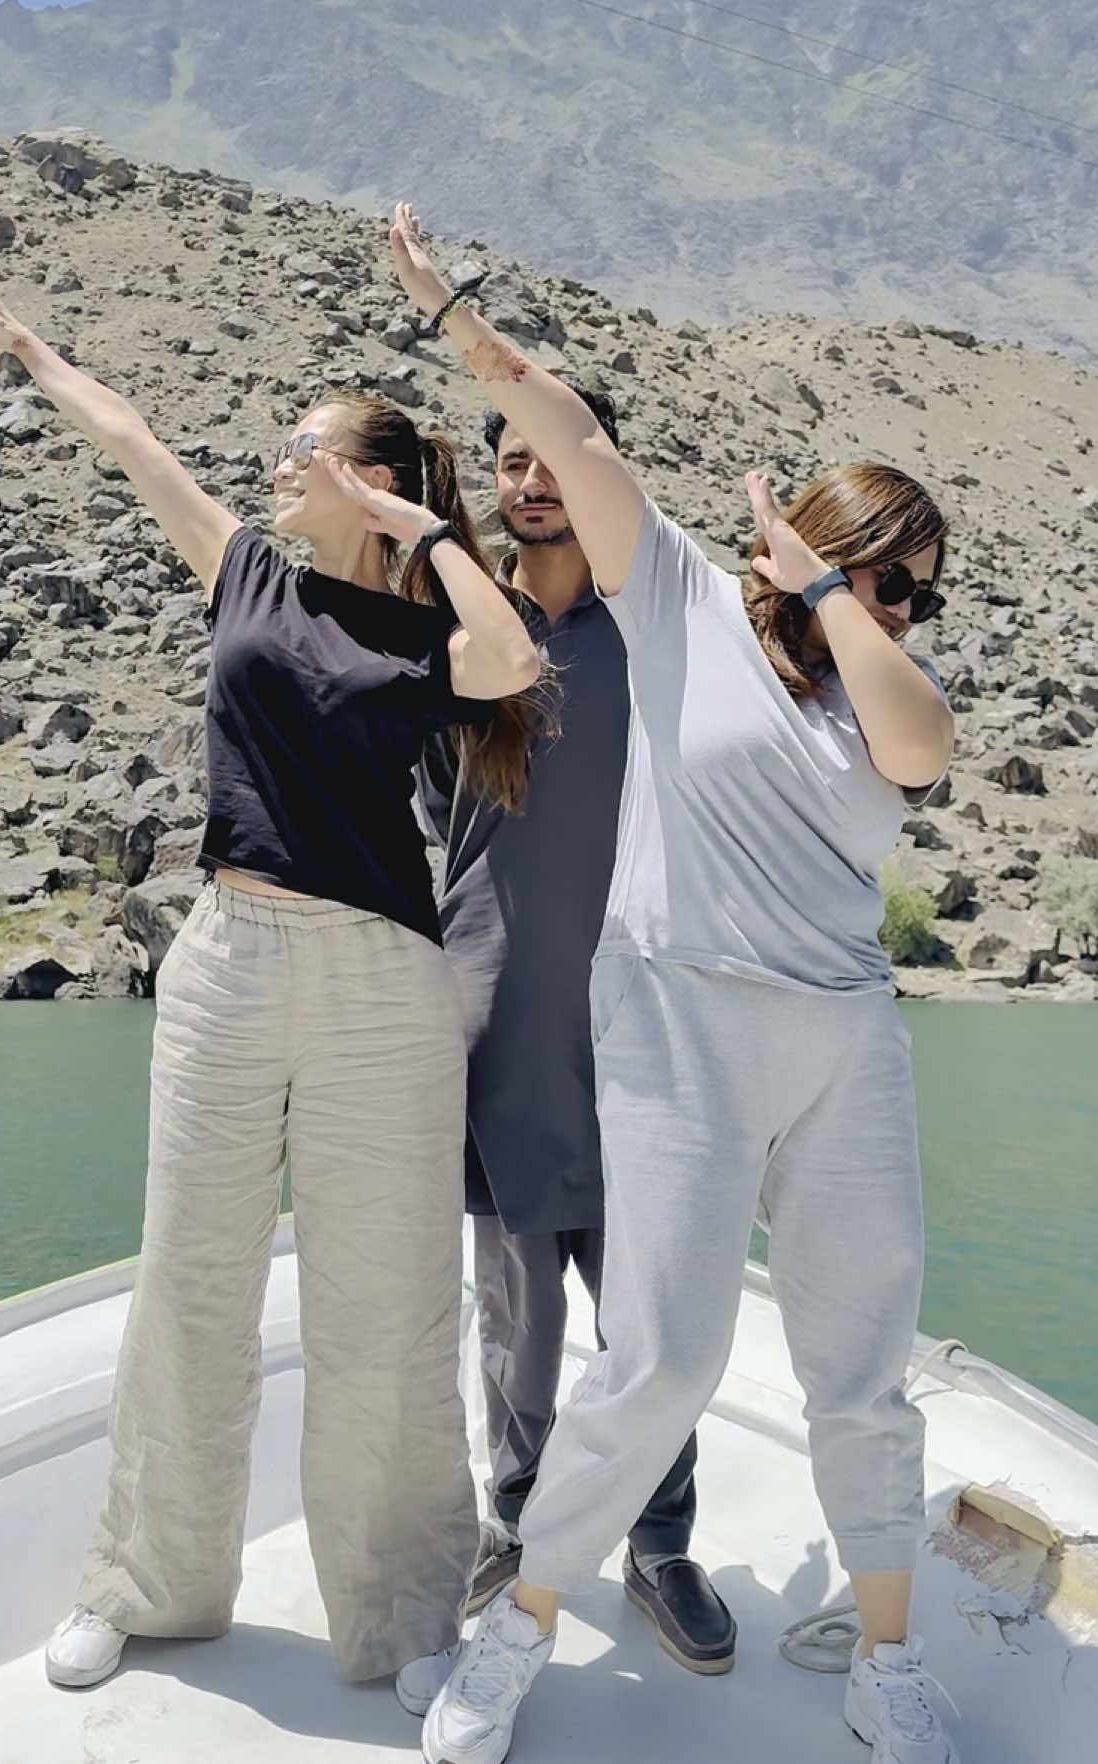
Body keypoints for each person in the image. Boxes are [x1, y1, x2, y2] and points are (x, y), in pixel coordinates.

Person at [386, 208, 961, 1764]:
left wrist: (845, 608)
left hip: (841, 1040)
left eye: (918, 593)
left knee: (861, 1368)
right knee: (659, 1359)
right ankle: (518, 1637)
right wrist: (453, 310)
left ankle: (885, 1666)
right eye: (879, 578)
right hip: (680, 1022)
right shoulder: (683, 601)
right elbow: (563, 428)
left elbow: (920, 754)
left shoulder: (875, 694)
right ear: (802, 547)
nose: (902, 611)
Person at [0, 264, 541, 1711]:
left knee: (385, 1308)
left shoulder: (422, 633)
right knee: (191, 1286)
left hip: (381, 985)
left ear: (365, 477)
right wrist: (33, 344)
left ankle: (405, 1618)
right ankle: (144, 1587)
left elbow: (509, 655)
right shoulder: (244, 568)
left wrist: (426, 533)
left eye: (299, 450)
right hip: (226, 962)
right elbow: (131, 436)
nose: (272, 467)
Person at [416, 380, 735, 1673]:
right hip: (493, 1017)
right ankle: (518, 1521)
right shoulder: (465, 638)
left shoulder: (651, 627)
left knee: (645, 1299)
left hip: (635, 1022)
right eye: (511, 457)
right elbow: (435, 824)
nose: (532, 478)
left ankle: (659, 1541)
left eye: (556, 456)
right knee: (515, 1306)